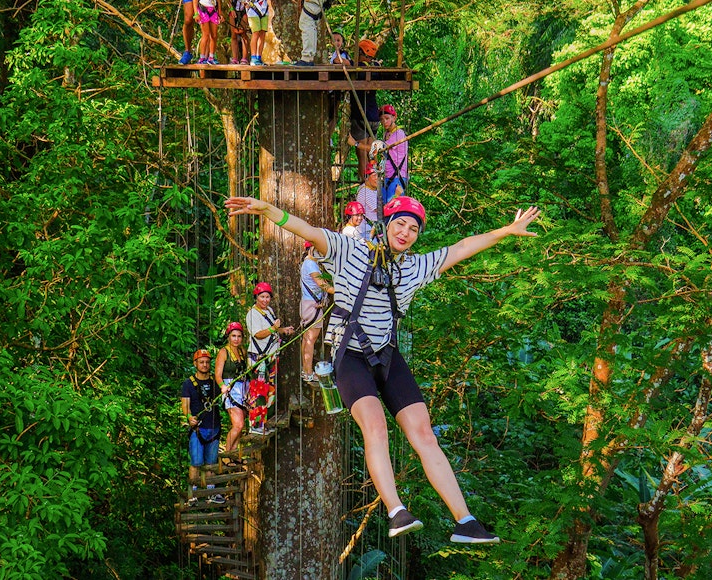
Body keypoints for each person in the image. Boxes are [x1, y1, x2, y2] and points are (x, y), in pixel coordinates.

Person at [224, 194, 542, 544]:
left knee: (424, 434)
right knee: (375, 426)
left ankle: (464, 521)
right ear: (386, 224)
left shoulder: (415, 267)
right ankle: (396, 511)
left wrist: (507, 231)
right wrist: (269, 210)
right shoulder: (350, 250)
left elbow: (462, 247)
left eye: (414, 229)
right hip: (350, 357)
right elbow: (309, 230)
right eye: (400, 224)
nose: (406, 233)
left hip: (387, 355)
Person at [246, 281, 295, 433]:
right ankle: (255, 425)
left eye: (267, 297)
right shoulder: (252, 314)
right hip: (259, 356)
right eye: (262, 297)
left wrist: (282, 330)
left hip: (271, 355)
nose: (265, 300)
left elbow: (272, 330)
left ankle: (265, 423)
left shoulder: (269, 311)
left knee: (270, 390)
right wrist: (273, 328)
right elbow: (258, 334)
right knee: (258, 390)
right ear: (256, 297)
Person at [181, 349, 225, 504]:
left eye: (207, 362)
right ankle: (192, 495)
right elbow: (185, 405)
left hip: (214, 427)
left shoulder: (215, 382)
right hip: (198, 429)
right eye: (201, 362)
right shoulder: (188, 384)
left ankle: (211, 493)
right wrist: (189, 417)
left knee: (211, 462)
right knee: (196, 463)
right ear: (195, 364)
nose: (205, 365)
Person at [299, 241, 334, 383]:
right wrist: (340, 290)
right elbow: (322, 284)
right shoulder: (311, 264)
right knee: (310, 340)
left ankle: (306, 371)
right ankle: (308, 372)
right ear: (311, 249)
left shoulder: (308, 263)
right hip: (311, 306)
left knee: (308, 339)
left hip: (309, 305)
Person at [348, 38, 382, 178]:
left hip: (360, 116)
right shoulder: (375, 68)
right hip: (374, 117)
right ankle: (376, 183)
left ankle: (365, 183)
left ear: (361, 53)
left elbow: (340, 62)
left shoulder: (356, 66)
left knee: (362, 154)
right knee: (372, 154)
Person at [215, 322, 249, 460]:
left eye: (239, 336)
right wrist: (222, 386)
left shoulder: (242, 351)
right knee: (238, 424)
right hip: (230, 388)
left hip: (243, 389)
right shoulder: (224, 352)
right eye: (234, 336)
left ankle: (234, 455)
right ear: (229, 337)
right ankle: (227, 456)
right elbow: (218, 374)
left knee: (240, 427)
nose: (236, 339)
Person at [379, 105, 408, 203]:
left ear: (394, 118)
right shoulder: (386, 134)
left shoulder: (398, 134)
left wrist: (356, 144)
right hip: (388, 176)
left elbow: (378, 148)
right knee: (386, 208)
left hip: (397, 177)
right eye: (382, 119)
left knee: (394, 208)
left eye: (387, 118)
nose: (384, 122)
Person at [356, 162, 379, 232]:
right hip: (368, 229)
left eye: (378, 175)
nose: (377, 178)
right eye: (374, 175)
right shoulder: (366, 191)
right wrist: (396, 196)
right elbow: (381, 211)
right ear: (367, 178)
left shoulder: (372, 189)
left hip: (372, 228)